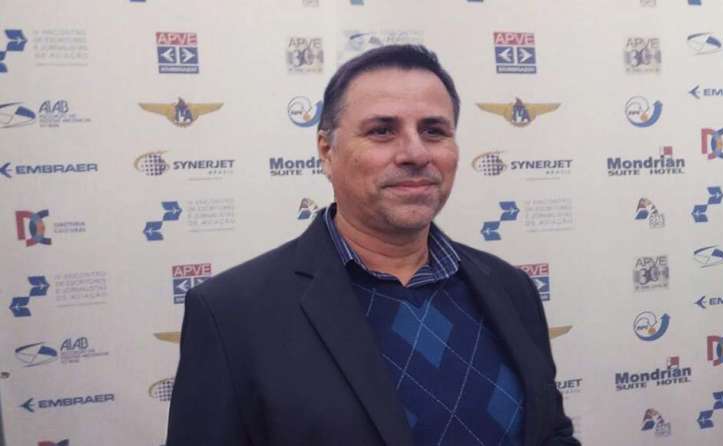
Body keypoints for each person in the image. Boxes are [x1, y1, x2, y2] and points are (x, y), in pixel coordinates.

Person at [166, 44, 580, 446]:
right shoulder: (231, 314)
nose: (415, 152)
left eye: (434, 131)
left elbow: (550, 433)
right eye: (382, 131)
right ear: (327, 152)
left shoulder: (510, 288)